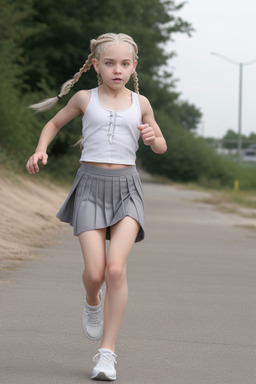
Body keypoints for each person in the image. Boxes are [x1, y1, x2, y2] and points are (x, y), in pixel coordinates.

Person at [26, 33, 167, 381]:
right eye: (109, 63)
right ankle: (93, 300)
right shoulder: (84, 98)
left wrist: (153, 140)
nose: (117, 70)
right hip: (89, 187)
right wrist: (40, 148)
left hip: (127, 190)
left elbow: (161, 144)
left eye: (124, 63)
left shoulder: (141, 102)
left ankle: (107, 353)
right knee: (95, 273)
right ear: (96, 66)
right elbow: (53, 123)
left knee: (115, 270)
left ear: (133, 66)